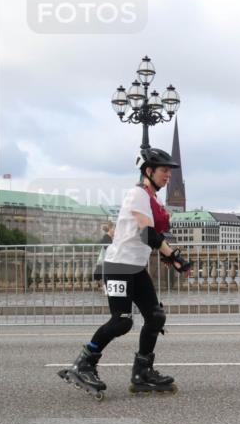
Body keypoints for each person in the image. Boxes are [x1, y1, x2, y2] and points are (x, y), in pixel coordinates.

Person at [58, 147, 193, 400]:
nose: (168, 175)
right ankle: (84, 363)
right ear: (149, 171)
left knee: (155, 316)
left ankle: (143, 372)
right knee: (122, 321)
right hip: (118, 266)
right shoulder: (138, 195)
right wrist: (173, 256)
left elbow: (153, 235)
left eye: (169, 171)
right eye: (164, 170)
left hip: (135, 267)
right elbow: (147, 234)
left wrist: (171, 257)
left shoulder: (152, 198)